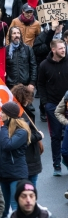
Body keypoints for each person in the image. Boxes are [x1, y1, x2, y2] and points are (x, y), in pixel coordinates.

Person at [0, 102, 30, 218]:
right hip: (4, 173)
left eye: (3, 112)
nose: (0, 114)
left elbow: (8, 145)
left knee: (15, 206)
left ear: (9, 115)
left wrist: (3, 127)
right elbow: (3, 149)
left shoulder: (21, 131)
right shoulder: (7, 129)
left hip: (16, 174)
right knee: (2, 207)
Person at [38, 39, 68, 176]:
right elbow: (41, 84)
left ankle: (65, 158)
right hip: (53, 106)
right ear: (53, 50)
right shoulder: (44, 65)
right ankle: (56, 164)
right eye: (61, 48)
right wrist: (45, 103)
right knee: (56, 136)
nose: (64, 50)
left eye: (64, 48)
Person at [11, 84, 44, 187]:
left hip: (21, 158)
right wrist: (39, 136)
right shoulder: (23, 116)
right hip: (29, 157)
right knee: (31, 184)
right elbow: (25, 137)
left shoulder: (13, 113)